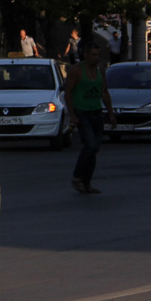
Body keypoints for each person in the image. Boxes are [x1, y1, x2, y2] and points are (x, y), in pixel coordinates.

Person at [65, 42, 116, 195]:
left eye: (98, 55)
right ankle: (77, 177)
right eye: (93, 55)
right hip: (82, 112)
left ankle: (86, 183)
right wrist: (72, 114)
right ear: (86, 55)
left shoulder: (101, 70)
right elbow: (68, 92)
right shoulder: (77, 70)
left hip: (96, 112)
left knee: (95, 148)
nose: (96, 58)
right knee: (90, 145)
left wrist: (111, 113)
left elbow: (104, 92)